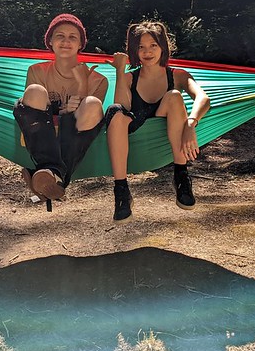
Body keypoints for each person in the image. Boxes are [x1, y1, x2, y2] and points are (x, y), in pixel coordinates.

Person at [105, 20, 210, 223]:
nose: (147, 51)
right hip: (135, 132)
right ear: (135, 51)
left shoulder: (177, 75)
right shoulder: (129, 78)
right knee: (113, 111)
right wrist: (119, 71)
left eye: (153, 45)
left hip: (169, 128)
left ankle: (181, 176)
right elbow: (121, 107)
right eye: (141, 47)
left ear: (163, 47)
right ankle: (121, 190)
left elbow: (203, 99)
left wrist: (191, 123)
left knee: (174, 96)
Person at [13, 13, 107, 204]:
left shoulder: (99, 81)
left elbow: (86, 122)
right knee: (35, 91)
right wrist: (62, 111)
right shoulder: (37, 71)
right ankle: (56, 174)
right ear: (50, 41)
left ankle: (46, 172)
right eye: (60, 36)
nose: (66, 41)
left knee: (93, 104)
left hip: (75, 133)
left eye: (73, 37)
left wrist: (82, 85)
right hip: (40, 127)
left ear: (81, 43)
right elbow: (33, 108)